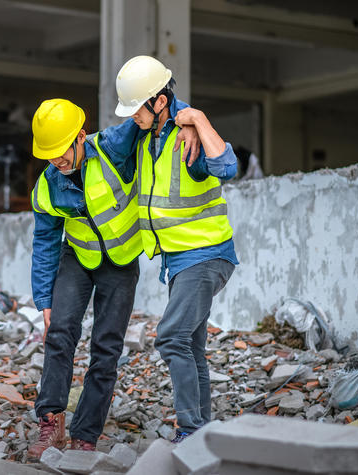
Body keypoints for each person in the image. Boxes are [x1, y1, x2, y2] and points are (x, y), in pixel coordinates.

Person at [26, 98, 196, 459]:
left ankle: (85, 433)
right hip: (77, 258)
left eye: (61, 150)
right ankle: (50, 420)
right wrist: (44, 300)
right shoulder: (47, 186)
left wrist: (192, 121)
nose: (57, 160)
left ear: (81, 136)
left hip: (120, 262)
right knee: (59, 334)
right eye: (49, 153)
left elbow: (153, 106)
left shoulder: (112, 148)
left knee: (105, 349)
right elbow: (44, 243)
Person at [114, 55, 239, 443]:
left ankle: (190, 430)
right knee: (191, 345)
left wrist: (198, 120)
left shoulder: (189, 136)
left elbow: (228, 167)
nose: (133, 116)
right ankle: (202, 431)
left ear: (160, 102)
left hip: (206, 255)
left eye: (137, 108)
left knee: (170, 337)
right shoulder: (148, 135)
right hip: (180, 260)